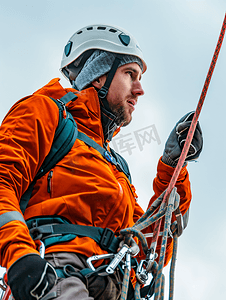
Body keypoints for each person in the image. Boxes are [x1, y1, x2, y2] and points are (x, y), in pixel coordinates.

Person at [0, 24, 203, 300]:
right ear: (98, 76)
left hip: (114, 286)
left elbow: (147, 250)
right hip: (58, 276)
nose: (140, 89)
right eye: (130, 74)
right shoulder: (45, 113)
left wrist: (174, 169)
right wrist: (21, 257)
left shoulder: (115, 167)